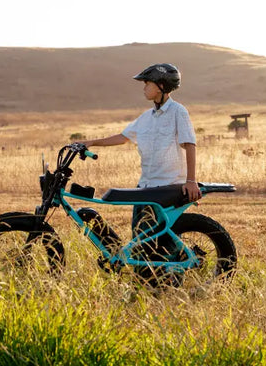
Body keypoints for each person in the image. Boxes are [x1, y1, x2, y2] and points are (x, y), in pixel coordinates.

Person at [82, 63, 199, 283]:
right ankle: (149, 282)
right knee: (140, 240)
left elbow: (190, 145)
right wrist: (91, 142)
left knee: (155, 239)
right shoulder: (146, 117)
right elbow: (123, 137)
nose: (144, 87)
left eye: (147, 83)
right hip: (145, 187)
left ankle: (169, 278)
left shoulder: (178, 112)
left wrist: (191, 181)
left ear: (161, 86)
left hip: (167, 187)